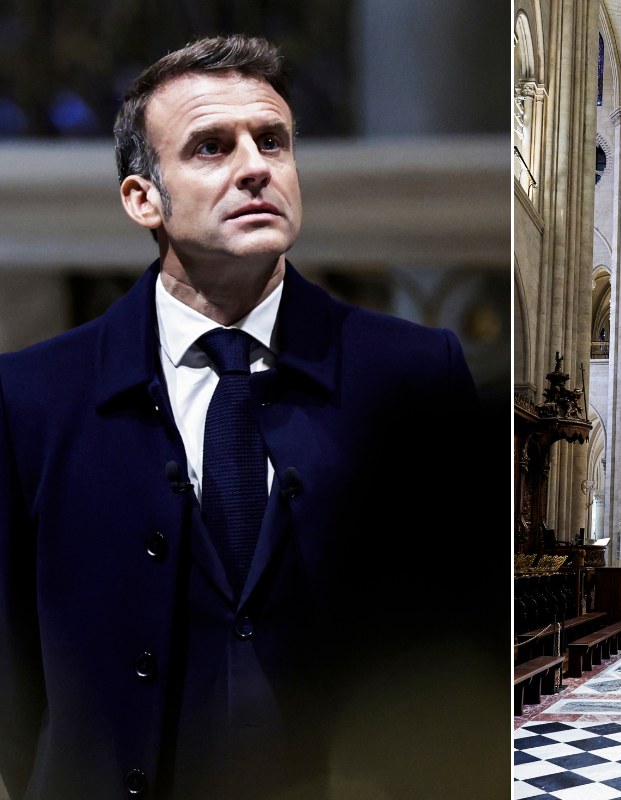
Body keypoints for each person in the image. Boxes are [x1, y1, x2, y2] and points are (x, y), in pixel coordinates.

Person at [0, 36, 491, 800]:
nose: (255, 165)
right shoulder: (33, 397)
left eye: (273, 140)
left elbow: (463, 631)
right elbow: (11, 668)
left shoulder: (413, 374)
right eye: (210, 147)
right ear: (143, 198)